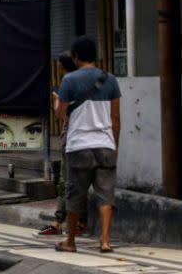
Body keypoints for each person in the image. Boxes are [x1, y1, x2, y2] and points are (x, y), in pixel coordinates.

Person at [55, 36, 121, 254]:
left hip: (79, 145)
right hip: (105, 144)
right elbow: (116, 117)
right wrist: (115, 144)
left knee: (76, 194)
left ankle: (71, 241)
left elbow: (61, 114)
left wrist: (57, 102)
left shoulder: (69, 80)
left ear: (75, 57)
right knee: (105, 194)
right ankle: (104, 241)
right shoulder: (110, 79)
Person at [38, 51, 86, 237]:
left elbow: (61, 114)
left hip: (72, 138)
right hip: (89, 139)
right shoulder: (87, 83)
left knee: (66, 182)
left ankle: (58, 222)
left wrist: (57, 99)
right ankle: (81, 222)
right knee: (81, 182)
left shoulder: (67, 84)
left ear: (62, 66)